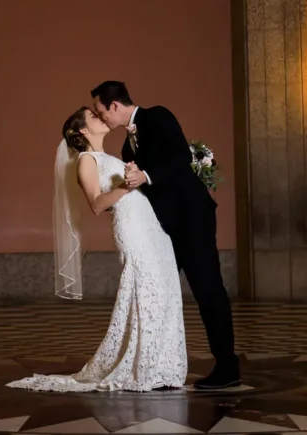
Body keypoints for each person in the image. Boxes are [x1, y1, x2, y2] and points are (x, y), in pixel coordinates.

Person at [6, 107, 187, 392]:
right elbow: (97, 204)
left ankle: (164, 366)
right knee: (145, 288)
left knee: (164, 289)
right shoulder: (86, 160)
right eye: (93, 117)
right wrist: (127, 186)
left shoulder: (112, 157)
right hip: (133, 230)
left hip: (152, 227)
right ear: (83, 131)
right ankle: (144, 367)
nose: (101, 118)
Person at [91, 81, 240, 390]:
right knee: (159, 295)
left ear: (114, 106)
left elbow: (179, 159)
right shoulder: (126, 147)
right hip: (163, 230)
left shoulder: (158, 116)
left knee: (208, 290)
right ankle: (156, 367)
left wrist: (144, 176)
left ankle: (228, 365)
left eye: (101, 110)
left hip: (192, 219)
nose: (100, 116)